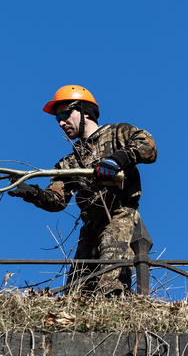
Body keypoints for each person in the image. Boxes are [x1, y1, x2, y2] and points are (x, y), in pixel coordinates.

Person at [9, 85, 157, 295]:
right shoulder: (69, 162)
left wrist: (116, 160)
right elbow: (57, 200)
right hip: (89, 229)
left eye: (64, 114)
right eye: (57, 119)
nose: (61, 123)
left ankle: (117, 325)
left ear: (84, 111)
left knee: (110, 286)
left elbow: (148, 147)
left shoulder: (118, 133)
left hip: (120, 217)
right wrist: (34, 194)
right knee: (76, 294)